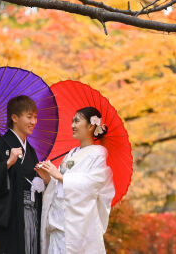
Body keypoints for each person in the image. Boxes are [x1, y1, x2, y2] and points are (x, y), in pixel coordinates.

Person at [36, 107, 115, 254]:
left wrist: (60, 177)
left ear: (90, 126)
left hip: (76, 229)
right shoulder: (71, 153)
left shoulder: (99, 153)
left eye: (77, 121)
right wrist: (48, 178)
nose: (72, 125)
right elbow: (60, 183)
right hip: (58, 222)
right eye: (73, 121)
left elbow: (93, 184)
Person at [0, 95, 43, 254]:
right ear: (14, 118)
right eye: (29, 117)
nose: (34, 122)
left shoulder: (31, 151)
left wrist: (44, 178)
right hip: (10, 218)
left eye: (35, 117)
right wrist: (7, 163)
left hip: (32, 214)